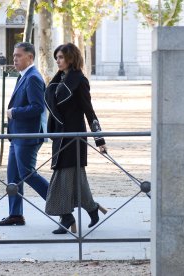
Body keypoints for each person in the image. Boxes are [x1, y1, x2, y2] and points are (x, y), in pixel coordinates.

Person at [44, 43, 107, 234]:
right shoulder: (58, 79)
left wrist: (99, 139)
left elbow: (89, 111)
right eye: (56, 57)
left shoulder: (79, 80)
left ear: (71, 58)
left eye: (61, 57)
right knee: (75, 178)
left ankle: (66, 218)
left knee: (63, 177)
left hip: (74, 137)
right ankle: (91, 208)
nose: (58, 60)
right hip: (60, 136)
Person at [0, 42, 49, 226]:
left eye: (18, 55)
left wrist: (14, 112)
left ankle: (61, 203)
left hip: (27, 136)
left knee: (27, 174)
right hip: (17, 135)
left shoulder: (33, 77)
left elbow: (37, 107)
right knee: (14, 177)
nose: (14, 59)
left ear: (30, 57)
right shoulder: (24, 76)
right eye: (14, 55)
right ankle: (15, 214)